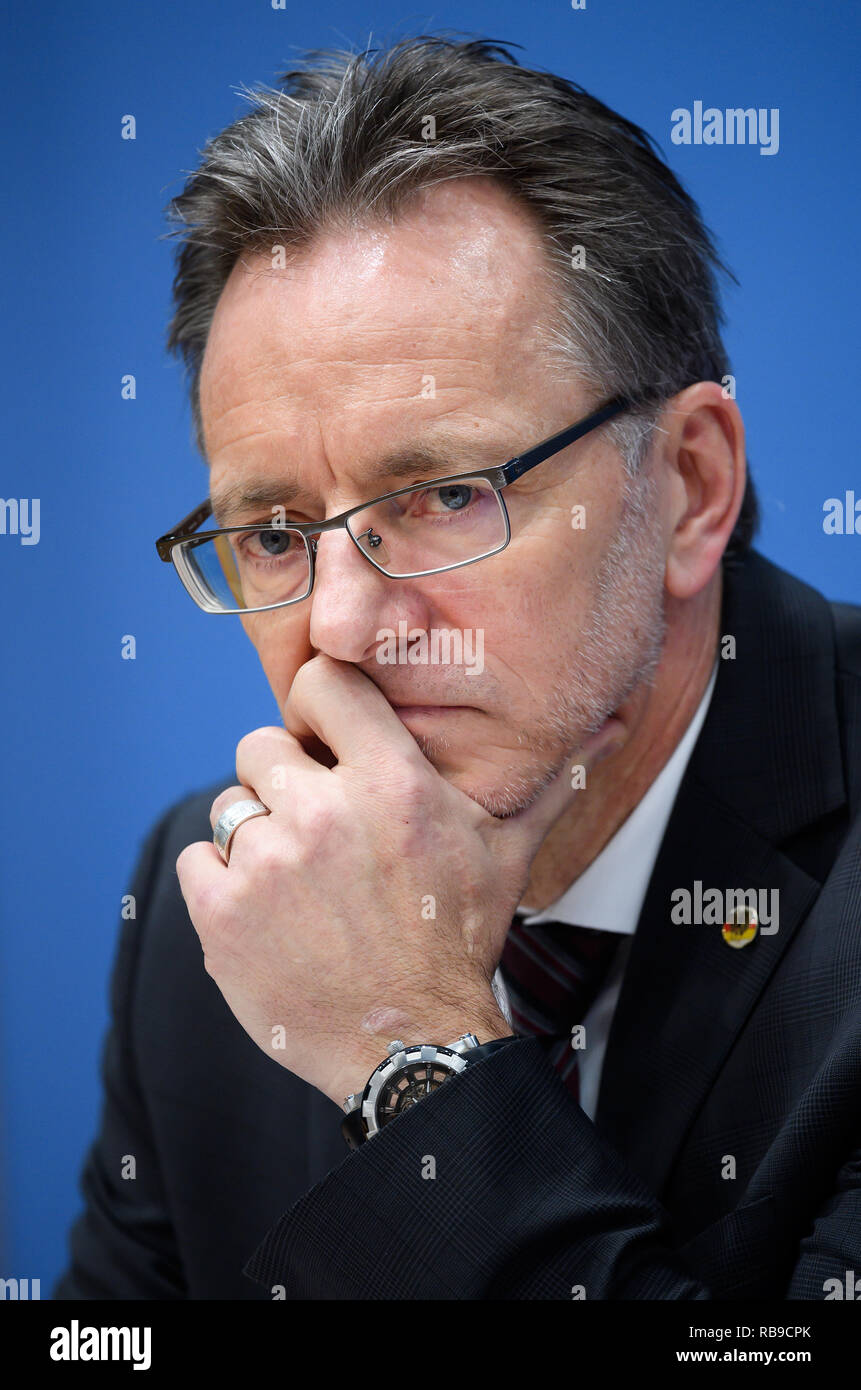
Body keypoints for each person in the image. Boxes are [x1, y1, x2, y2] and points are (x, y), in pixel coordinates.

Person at [54, 35, 861, 1300]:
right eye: (274, 534)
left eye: (439, 494)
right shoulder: (214, 901)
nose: (341, 629)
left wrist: (413, 1050)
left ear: (691, 485)